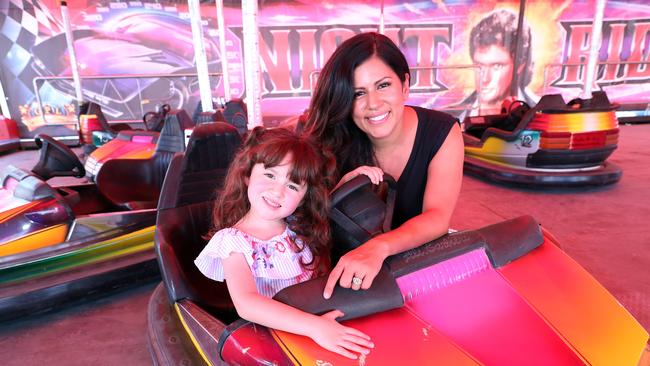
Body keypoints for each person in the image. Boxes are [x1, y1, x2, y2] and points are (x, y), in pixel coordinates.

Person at [304, 32, 464, 299]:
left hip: (411, 265)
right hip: (341, 273)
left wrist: (378, 248)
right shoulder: (328, 140)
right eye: (358, 93)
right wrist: (331, 195)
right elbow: (300, 223)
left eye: (383, 85)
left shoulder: (442, 131)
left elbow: (437, 217)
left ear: (404, 84)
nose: (373, 104)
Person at [194, 127, 374, 360]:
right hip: (276, 335)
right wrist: (315, 327)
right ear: (248, 175)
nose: (277, 191)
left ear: (303, 197)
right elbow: (247, 304)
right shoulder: (234, 242)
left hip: (317, 316)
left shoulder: (296, 223)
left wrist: (350, 180)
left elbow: (327, 204)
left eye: (292, 186)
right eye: (270, 175)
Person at [459, 9, 537, 118]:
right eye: (479, 66)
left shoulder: (540, 114)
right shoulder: (452, 117)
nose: (485, 79)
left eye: (497, 66)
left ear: (520, 65)